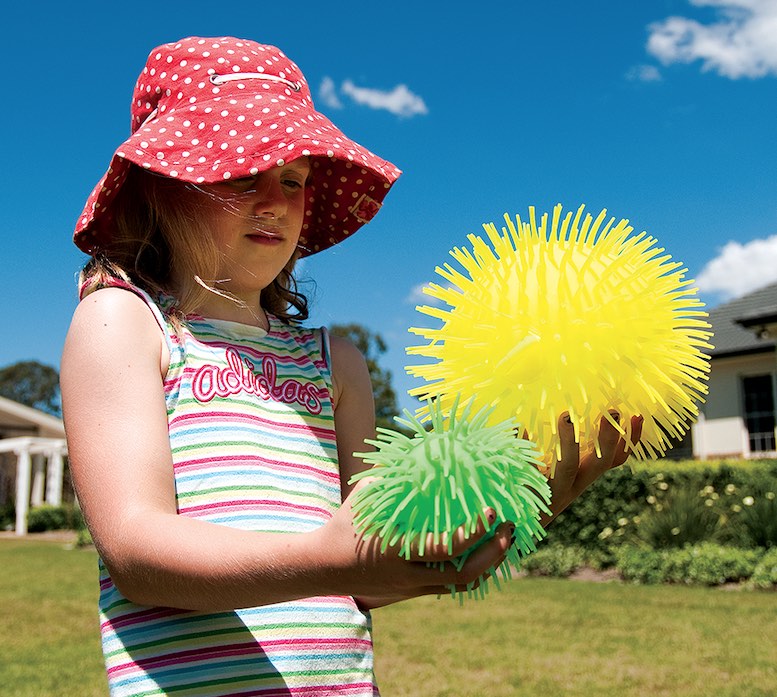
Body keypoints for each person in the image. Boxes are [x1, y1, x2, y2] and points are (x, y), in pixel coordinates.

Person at [61, 36, 642, 697]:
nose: (274, 199)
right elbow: (137, 555)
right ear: (160, 186)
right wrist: (326, 556)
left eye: (292, 179)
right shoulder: (124, 323)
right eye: (239, 170)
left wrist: (507, 506)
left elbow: (361, 571)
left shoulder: (335, 362)